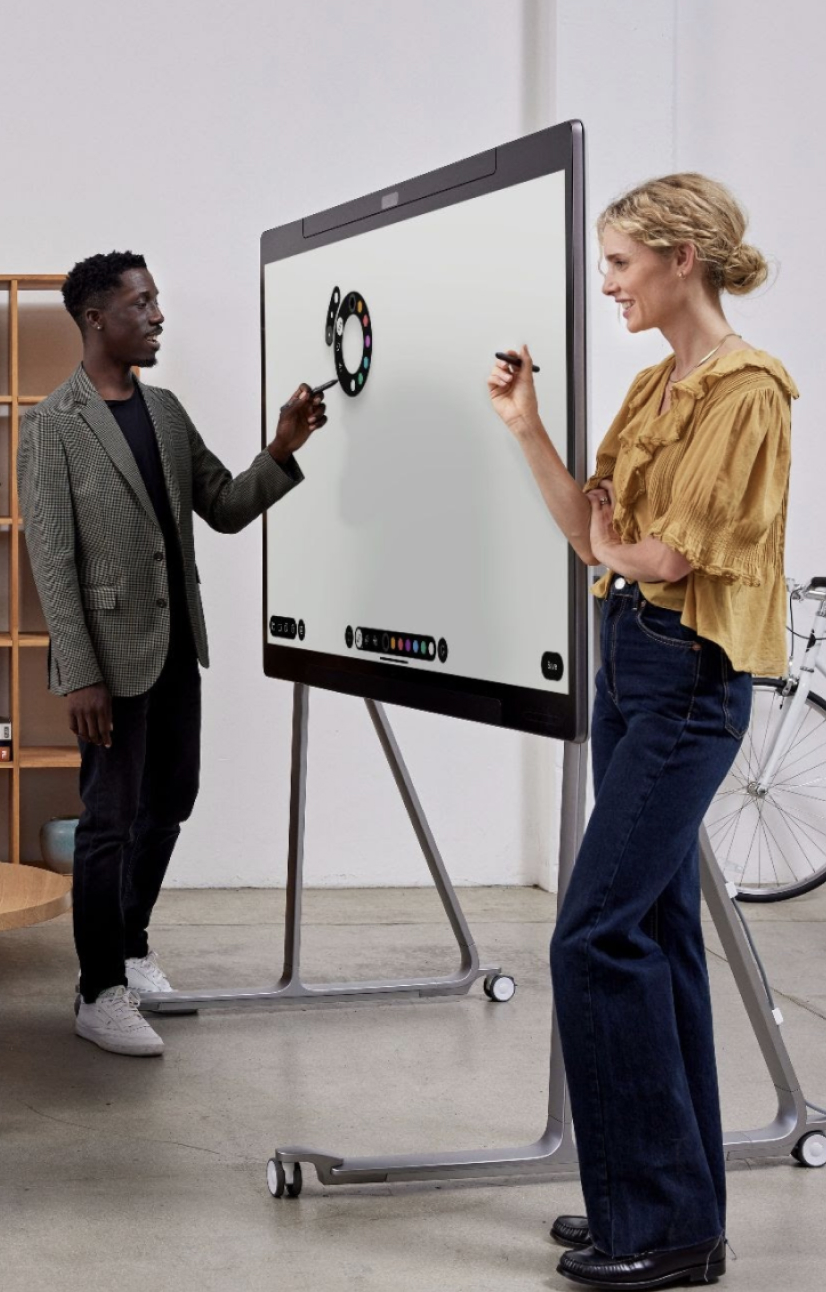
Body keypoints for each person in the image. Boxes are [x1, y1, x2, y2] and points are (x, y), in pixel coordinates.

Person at [488, 174, 795, 1289]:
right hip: (629, 660)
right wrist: (530, 433)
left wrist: (622, 551)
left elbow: (665, 556)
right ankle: (658, 1203)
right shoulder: (649, 384)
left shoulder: (746, 390)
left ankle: (662, 1227)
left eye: (618, 262)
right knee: (652, 936)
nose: (607, 282)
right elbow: (595, 533)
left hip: (687, 676)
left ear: (678, 256)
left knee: (592, 935)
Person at [18, 250, 326, 1057]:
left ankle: (130, 944)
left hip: (176, 644)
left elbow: (223, 506)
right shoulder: (53, 425)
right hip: (107, 663)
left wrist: (281, 447)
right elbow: (52, 559)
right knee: (107, 822)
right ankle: (97, 992)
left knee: (172, 801)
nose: (157, 316)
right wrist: (78, 672)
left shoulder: (166, 411)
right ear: (96, 319)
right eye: (141, 303)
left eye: (156, 301)